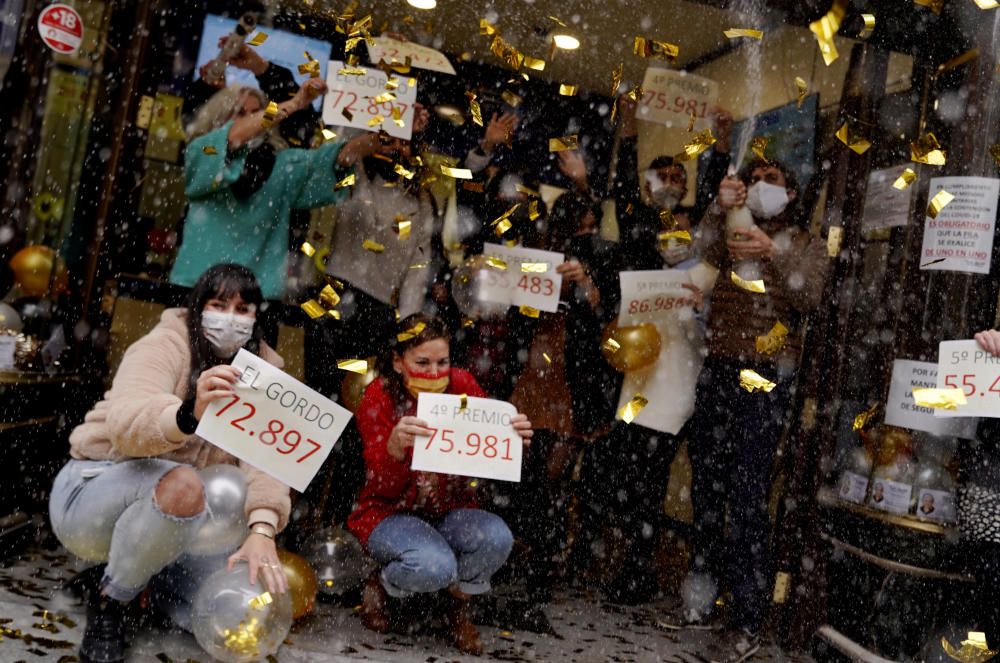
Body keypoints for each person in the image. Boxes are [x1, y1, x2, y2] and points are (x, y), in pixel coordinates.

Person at [48, 264, 291, 663]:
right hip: (94, 492)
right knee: (184, 483)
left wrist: (263, 527)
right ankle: (111, 601)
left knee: (235, 617)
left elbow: (266, 459)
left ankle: (137, 575)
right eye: (218, 304)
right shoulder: (163, 345)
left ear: (256, 317)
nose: (231, 317)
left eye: (243, 308)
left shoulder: (264, 371)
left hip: (183, 525)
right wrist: (188, 413)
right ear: (198, 308)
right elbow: (126, 425)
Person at [682, 157, 828, 662]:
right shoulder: (731, 227)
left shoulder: (806, 243)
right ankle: (699, 598)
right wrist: (715, 210)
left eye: (775, 181)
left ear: (791, 193)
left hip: (767, 374)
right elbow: (696, 253)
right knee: (706, 485)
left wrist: (774, 254)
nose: (764, 187)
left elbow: (809, 295)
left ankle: (747, 619)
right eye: (756, 179)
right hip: (719, 366)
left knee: (747, 495)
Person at [346, 314, 534, 655]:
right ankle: (383, 584)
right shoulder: (380, 395)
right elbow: (379, 485)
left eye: (442, 362)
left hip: (451, 510)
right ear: (398, 363)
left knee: (497, 539)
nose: (434, 374)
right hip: (389, 513)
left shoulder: (462, 384)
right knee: (433, 566)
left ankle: (457, 605)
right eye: (422, 362)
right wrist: (392, 450)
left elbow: (485, 454)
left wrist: (512, 439)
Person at [170, 65, 379, 305]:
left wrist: (378, 138)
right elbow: (232, 137)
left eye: (256, 112)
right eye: (240, 112)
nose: (251, 119)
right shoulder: (203, 150)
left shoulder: (282, 164)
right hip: (195, 291)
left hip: (255, 299)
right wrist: (295, 103)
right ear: (219, 117)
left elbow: (334, 162)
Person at [503, 188, 621, 603]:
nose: (587, 235)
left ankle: (543, 565)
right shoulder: (535, 253)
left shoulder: (602, 261)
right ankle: (517, 551)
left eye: (593, 228)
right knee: (520, 472)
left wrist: (586, 282)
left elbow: (605, 314)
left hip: (572, 382)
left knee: (554, 476)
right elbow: (512, 309)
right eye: (581, 227)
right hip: (530, 374)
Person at [614, 96, 733, 272]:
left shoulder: (695, 216)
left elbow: (714, 183)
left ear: (685, 190)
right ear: (647, 188)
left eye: (675, 179)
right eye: (661, 178)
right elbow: (626, 177)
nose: (668, 184)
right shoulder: (633, 216)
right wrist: (629, 120)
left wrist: (723, 136)